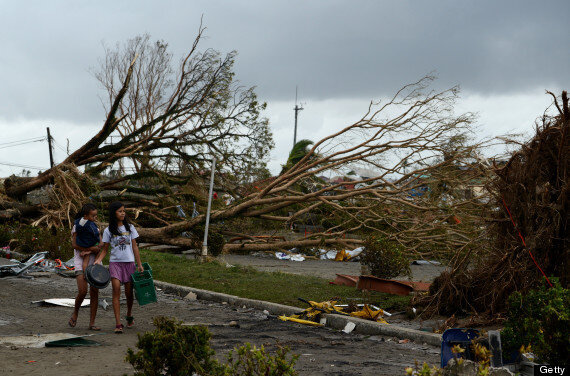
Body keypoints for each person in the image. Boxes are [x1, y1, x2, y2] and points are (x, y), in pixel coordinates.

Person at [94, 201, 143, 334]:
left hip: (129, 263)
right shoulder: (109, 230)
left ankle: (129, 314)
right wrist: (98, 260)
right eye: (120, 211)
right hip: (115, 263)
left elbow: (134, 247)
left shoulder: (130, 228)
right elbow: (105, 249)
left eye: (124, 211)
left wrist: (139, 264)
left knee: (128, 293)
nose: (123, 213)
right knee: (116, 289)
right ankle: (118, 323)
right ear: (114, 213)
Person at [69, 203, 102, 330]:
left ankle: (92, 322)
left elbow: (100, 245)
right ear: (86, 215)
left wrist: (93, 250)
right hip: (80, 259)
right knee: (83, 291)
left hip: (94, 261)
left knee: (94, 291)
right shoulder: (77, 227)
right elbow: (74, 245)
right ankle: (75, 312)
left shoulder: (95, 228)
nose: (95, 218)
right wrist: (89, 249)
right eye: (93, 216)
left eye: (96, 215)